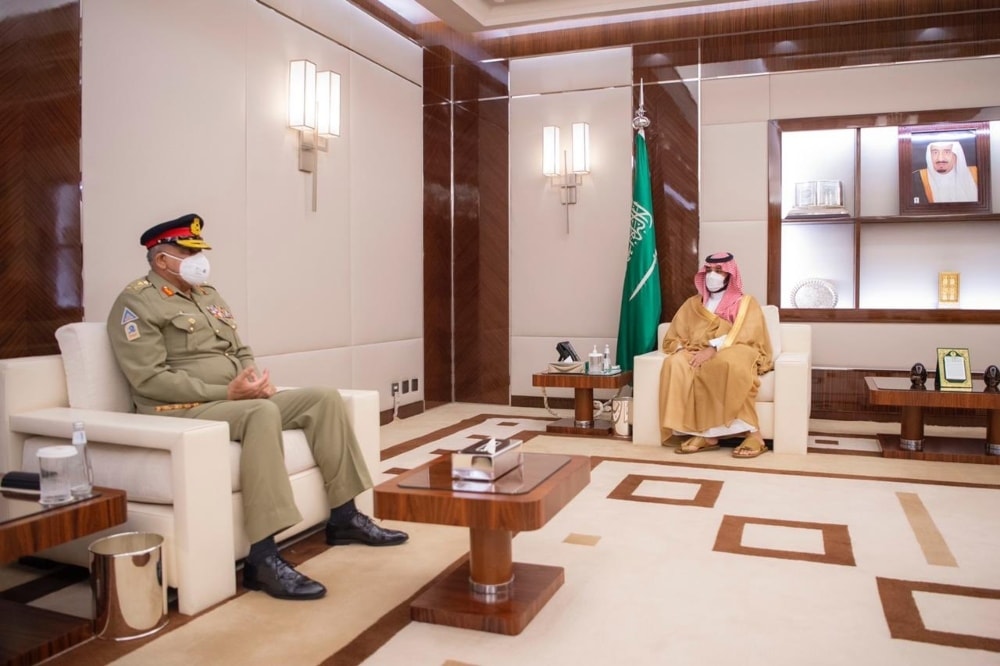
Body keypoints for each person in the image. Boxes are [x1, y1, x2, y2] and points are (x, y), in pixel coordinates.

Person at [106, 213, 408, 601]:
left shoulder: (207, 294)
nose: (198, 259)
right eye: (187, 251)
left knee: (324, 398)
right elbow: (148, 379)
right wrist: (227, 393)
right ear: (162, 260)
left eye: (198, 251)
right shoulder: (136, 302)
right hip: (179, 409)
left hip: (233, 398)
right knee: (262, 414)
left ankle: (345, 516)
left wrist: (252, 379)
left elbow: (239, 348)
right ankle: (262, 558)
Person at [657, 252, 773, 458]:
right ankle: (704, 435)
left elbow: (747, 333)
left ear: (730, 275)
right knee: (675, 364)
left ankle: (754, 435)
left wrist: (712, 349)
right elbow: (677, 332)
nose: (712, 275)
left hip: (736, 347)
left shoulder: (745, 302)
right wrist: (685, 349)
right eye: (709, 270)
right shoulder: (694, 303)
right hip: (697, 348)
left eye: (719, 271)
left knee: (724, 364)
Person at [911, 140, 978, 204]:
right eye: (935, 152)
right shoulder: (915, 179)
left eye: (947, 152)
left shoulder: (976, 174)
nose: (940, 158)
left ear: (956, 154)